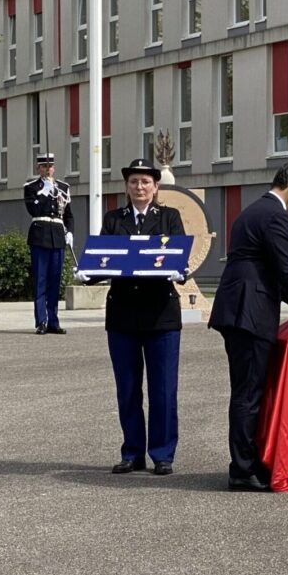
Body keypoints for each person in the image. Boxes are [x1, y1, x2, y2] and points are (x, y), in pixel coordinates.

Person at [209, 159, 288, 492]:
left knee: (246, 391)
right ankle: (243, 469)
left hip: (238, 309)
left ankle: (247, 463)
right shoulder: (277, 217)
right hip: (249, 314)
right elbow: (284, 269)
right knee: (249, 394)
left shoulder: (253, 210)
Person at [99, 158, 185, 476]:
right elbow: (104, 259)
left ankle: (163, 453)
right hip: (122, 314)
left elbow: (178, 257)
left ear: (156, 186)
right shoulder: (113, 219)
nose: (139, 187)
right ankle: (132, 452)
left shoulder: (169, 218)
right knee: (128, 388)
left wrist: (178, 267)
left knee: (163, 389)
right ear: (126, 186)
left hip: (160, 314)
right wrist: (90, 272)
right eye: (134, 181)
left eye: (146, 182)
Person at [24, 153, 74, 335]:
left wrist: (70, 232)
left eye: (50, 166)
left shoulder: (63, 187)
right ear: (38, 169)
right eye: (44, 166)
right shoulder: (31, 188)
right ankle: (41, 321)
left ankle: (53, 320)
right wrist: (44, 192)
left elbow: (68, 215)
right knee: (41, 281)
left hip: (58, 236)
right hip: (40, 236)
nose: (47, 169)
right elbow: (33, 209)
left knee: (55, 281)